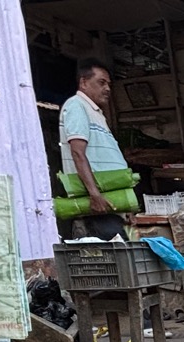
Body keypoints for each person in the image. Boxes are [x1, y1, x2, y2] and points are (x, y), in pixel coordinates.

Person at [59, 58, 128, 240]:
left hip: (108, 203)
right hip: (96, 207)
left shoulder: (94, 112)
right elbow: (77, 152)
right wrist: (94, 194)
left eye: (109, 84)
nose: (107, 89)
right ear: (83, 82)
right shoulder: (76, 105)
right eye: (101, 82)